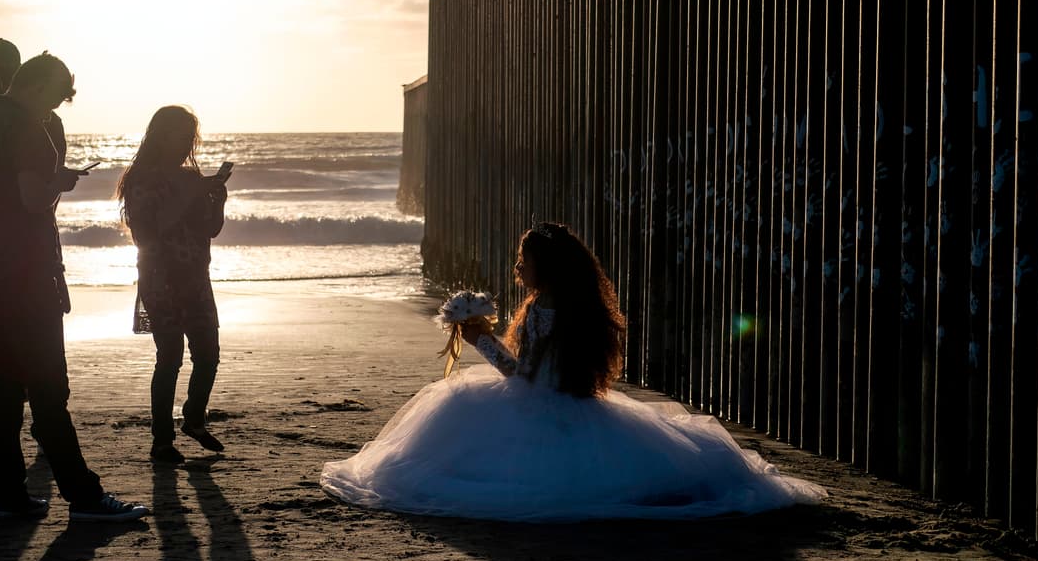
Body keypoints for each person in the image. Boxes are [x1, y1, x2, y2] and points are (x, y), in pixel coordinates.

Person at [322, 222, 827, 521]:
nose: (517, 268)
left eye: (523, 260)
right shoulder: (575, 303)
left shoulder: (545, 306)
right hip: (576, 401)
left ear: (544, 265)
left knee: (452, 419)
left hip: (539, 404)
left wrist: (480, 341)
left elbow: (522, 375)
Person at [0, 53, 148, 522]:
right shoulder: (28, 127)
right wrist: (59, 181)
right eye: (56, 98)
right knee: (47, 387)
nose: (54, 109)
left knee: (3, 388)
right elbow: (32, 199)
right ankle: (83, 496)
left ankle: (9, 494)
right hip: (26, 274)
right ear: (39, 86)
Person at [117, 106, 229, 464]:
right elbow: (150, 230)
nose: (184, 145)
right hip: (160, 276)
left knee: (208, 355)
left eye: (189, 138)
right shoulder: (141, 179)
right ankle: (162, 440)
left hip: (195, 275)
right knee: (169, 358)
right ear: (160, 136)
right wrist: (191, 194)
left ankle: (194, 418)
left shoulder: (190, 177)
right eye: (178, 136)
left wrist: (217, 202)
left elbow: (210, 229)